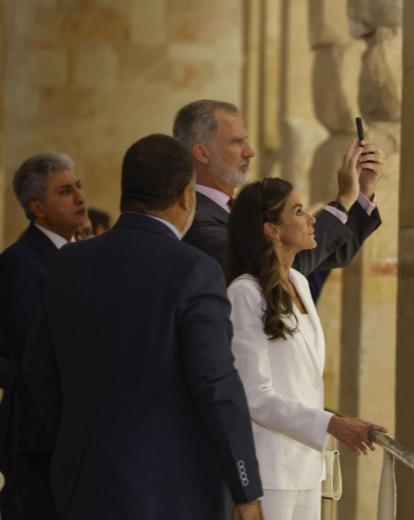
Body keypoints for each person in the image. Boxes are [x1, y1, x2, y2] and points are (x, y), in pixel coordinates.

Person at [22, 134, 264, 520]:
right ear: (188, 196)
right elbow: (215, 385)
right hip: (172, 491)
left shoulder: (69, 262)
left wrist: (80, 437)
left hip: (84, 481)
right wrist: (246, 489)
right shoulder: (194, 269)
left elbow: (38, 368)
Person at [225, 178, 387, 520]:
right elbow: (254, 397)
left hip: (309, 468)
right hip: (271, 471)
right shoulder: (245, 293)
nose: (312, 218)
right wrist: (331, 424)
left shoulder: (298, 281)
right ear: (271, 229)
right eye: (299, 212)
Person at [172, 99, 383, 276]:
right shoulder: (194, 219)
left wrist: (364, 190)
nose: (250, 151)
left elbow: (330, 253)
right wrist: (345, 199)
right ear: (202, 154)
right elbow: (274, 272)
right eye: (237, 142)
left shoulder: (239, 207)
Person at [0, 153, 88, 520]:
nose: (81, 198)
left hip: (73, 429)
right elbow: (32, 353)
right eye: (65, 191)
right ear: (37, 208)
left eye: (78, 187)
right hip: (38, 433)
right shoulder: (20, 263)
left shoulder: (81, 256)